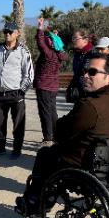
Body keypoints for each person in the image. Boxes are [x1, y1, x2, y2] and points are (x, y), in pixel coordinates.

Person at [16, 53, 109, 214]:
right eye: (85, 71)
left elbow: (60, 131)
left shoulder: (90, 106)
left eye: (92, 72)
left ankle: (36, 201)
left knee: (46, 153)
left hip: (87, 168)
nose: (85, 75)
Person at [0, 21, 34, 158]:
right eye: (5, 32)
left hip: (15, 94)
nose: (7, 34)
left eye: (10, 32)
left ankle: (16, 150)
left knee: (18, 124)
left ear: (17, 33)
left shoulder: (23, 51)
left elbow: (29, 74)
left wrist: (22, 91)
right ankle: (0, 147)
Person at [34, 17, 68, 147]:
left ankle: (48, 138)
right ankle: (55, 136)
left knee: (45, 113)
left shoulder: (48, 54)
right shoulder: (59, 55)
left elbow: (40, 42)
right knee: (52, 112)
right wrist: (55, 36)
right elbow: (50, 43)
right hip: (53, 87)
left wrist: (40, 28)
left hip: (44, 86)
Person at [66, 28, 95, 103]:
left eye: (76, 38)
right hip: (79, 93)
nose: (73, 40)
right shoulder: (77, 54)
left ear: (85, 40)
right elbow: (77, 74)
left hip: (89, 92)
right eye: (73, 38)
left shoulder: (93, 53)